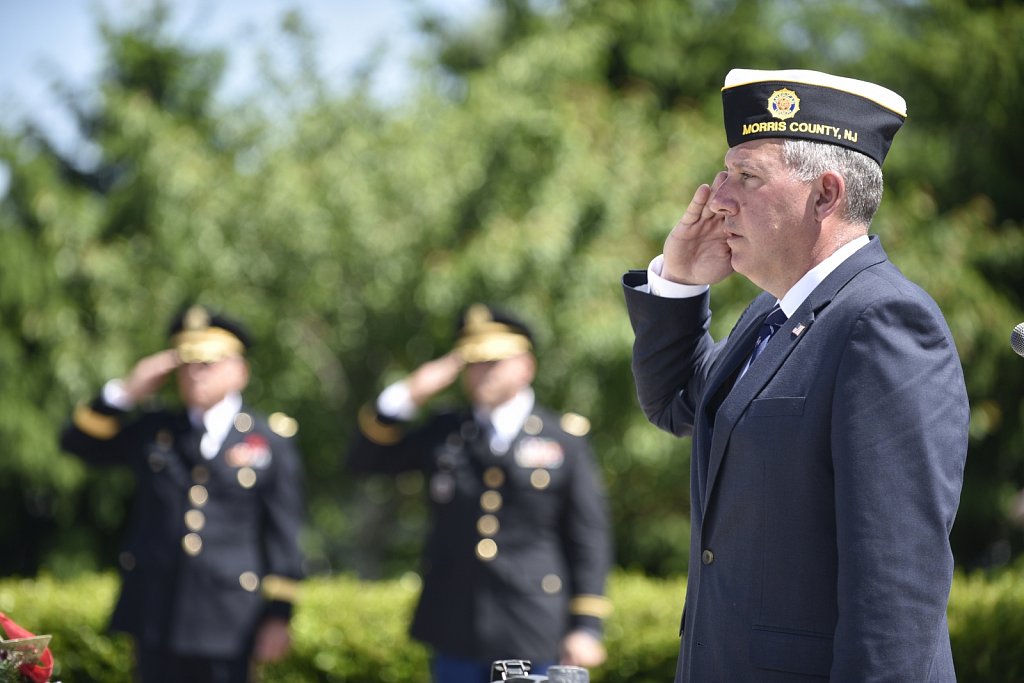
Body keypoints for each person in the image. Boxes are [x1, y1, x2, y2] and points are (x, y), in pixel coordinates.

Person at [622, 68, 969, 681]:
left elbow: (895, 590)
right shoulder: (774, 312)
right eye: (725, 172)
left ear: (827, 195)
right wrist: (677, 284)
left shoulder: (883, 319)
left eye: (748, 175)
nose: (717, 196)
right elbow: (679, 404)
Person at [348, 303, 612, 683]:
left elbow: (588, 536)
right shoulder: (445, 431)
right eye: (472, 362)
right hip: (457, 624)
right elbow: (365, 460)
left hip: (533, 625)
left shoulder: (562, 439)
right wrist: (410, 393)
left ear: (526, 365)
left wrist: (587, 626)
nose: (481, 372)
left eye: (494, 361)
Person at [59, 305, 305, 683]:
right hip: (157, 611)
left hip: (229, 618)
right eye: (186, 363)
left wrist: (278, 615)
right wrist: (127, 391)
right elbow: (78, 444)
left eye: (208, 362)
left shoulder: (268, 440)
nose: (194, 373)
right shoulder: (156, 430)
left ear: (240, 370)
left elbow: (283, 535)